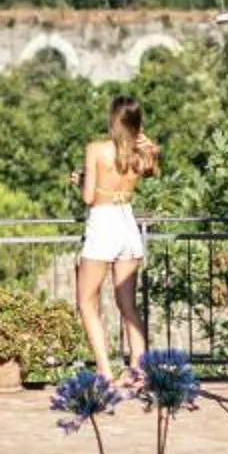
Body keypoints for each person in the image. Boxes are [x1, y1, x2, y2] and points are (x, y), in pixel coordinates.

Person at [75, 95, 160, 381]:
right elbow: (151, 171)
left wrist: (81, 182)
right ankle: (139, 369)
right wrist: (152, 150)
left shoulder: (96, 149)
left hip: (103, 224)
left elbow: (89, 198)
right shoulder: (140, 154)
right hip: (128, 224)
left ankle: (104, 369)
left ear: (113, 119)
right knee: (128, 305)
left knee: (87, 301)